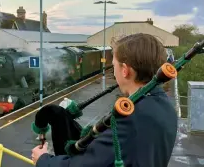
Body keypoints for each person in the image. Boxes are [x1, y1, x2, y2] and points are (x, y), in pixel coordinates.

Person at [31, 33, 178, 167]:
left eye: (114, 66)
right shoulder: (165, 106)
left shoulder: (132, 118)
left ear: (125, 70)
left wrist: (43, 159)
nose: (114, 73)